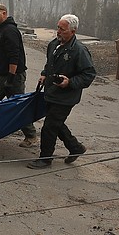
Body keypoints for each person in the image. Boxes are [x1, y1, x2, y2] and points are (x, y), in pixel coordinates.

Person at [28, 14, 96, 169]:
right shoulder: (54, 44)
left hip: (66, 97)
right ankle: (75, 147)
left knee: (49, 127)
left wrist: (70, 82)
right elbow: (49, 63)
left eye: (62, 29)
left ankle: (45, 158)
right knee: (56, 123)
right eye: (58, 27)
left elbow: (89, 75)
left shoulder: (79, 50)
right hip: (51, 92)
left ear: (73, 31)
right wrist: (45, 74)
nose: (58, 31)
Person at [0, 4, 38, 147]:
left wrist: (11, 78)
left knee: (19, 106)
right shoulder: (1, 30)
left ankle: (31, 136)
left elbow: (14, 56)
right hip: (1, 75)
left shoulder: (10, 30)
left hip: (13, 76)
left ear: (4, 14)